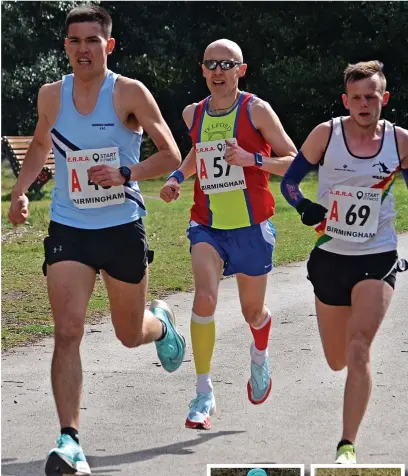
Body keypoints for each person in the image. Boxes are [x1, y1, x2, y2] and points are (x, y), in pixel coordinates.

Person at [8, 6, 186, 475]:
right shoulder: (51, 95)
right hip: (69, 228)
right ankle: (69, 440)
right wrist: (21, 191)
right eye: (74, 41)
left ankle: (161, 324)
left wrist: (126, 172)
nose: (83, 49)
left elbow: (171, 153)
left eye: (92, 40)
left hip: (121, 226)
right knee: (67, 331)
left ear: (109, 45)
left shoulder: (128, 92)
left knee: (130, 335)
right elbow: (43, 145)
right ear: (65, 47)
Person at [160, 39, 297, 430]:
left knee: (252, 312)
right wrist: (175, 177)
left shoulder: (257, 110)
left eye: (227, 64)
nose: (218, 71)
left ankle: (259, 354)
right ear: (202, 70)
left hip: (252, 227)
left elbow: (294, 161)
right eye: (211, 64)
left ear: (241, 69)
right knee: (204, 297)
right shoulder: (193, 113)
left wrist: (251, 159)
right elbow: (196, 154)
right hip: (207, 225)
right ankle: (203, 392)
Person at [280, 60, 408, 463]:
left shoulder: (400, 141)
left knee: (358, 350)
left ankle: (346, 445)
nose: (364, 103)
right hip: (330, 259)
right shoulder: (326, 134)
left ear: (384, 98)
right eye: (356, 97)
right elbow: (289, 182)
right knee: (337, 360)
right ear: (345, 101)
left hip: (378, 256)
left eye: (371, 96)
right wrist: (304, 207)